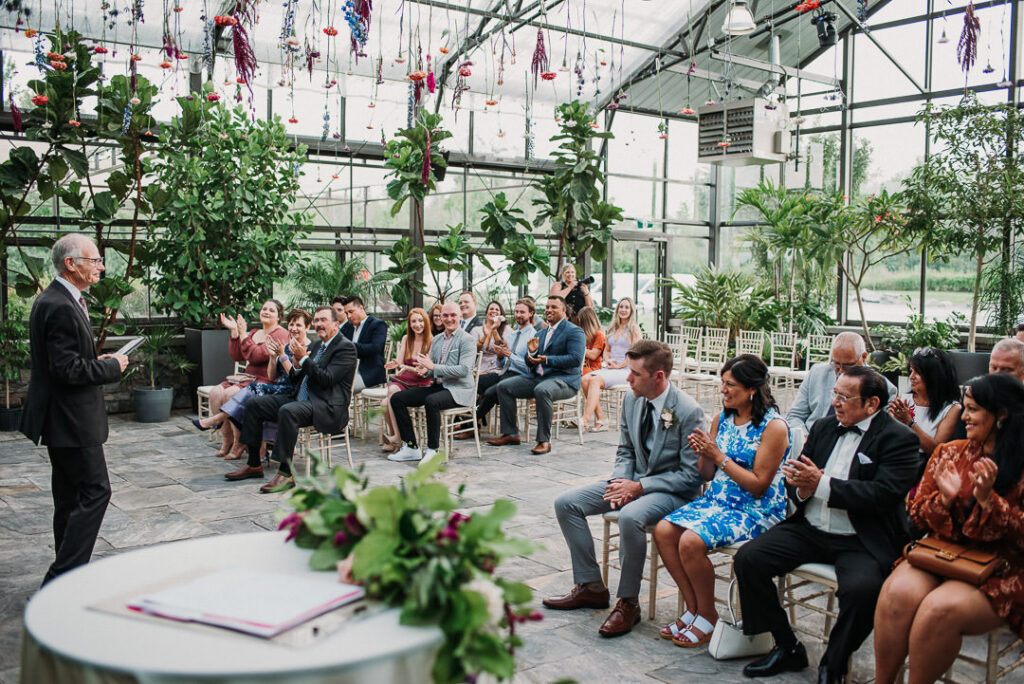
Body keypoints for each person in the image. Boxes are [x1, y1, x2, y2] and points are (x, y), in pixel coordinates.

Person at [734, 366, 919, 684]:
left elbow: (883, 495)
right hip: (811, 527)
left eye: (844, 397)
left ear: (872, 404)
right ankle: (787, 645)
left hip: (860, 537)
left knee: (864, 590)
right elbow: (799, 476)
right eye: (834, 393)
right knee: (749, 560)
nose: (835, 402)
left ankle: (833, 664)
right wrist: (801, 488)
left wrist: (820, 484)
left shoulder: (898, 438)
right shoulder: (822, 427)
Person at [543, 340, 705, 637]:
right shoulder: (632, 400)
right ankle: (591, 585)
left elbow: (691, 476)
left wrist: (640, 487)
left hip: (672, 491)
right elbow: (625, 450)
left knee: (630, 517)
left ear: (659, 376)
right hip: (632, 480)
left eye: (635, 373)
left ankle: (629, 603)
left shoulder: (688, 411)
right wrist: (621, 482)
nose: (626, 378)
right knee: (567, 503)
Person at [873, 373, 1024, 684]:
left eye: (972, 409)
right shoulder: (949, 453)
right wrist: (945, 498)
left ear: (1002, 415)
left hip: (1003, 567)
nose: (963, 417)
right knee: (897, 595)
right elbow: (915, 516)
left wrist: (989, 501)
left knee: (937, 611)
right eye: (965, 408)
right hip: (942, 552)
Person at [653, 354, 790, 648]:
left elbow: (758, 486)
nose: (723, 390)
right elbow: (707, 474)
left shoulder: (773, 427)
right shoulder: (722, 419)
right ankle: (694, 610)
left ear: (752, 389)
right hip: (718, 500)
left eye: (731, 385)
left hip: (755, 509)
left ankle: (708, 615)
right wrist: (703, 452)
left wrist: (719, 456)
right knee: (663, 530)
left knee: (690, 541)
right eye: (722, 383)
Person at [21, 234, 128, 585]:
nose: (100, 267)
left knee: (68, 499)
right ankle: (60, 577)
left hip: (61, 418)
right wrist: (113, 367)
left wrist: (93, 360)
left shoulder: (56, 299)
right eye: (94, 260)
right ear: (71, 264)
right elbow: (67, 371)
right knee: (97, 492)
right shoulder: (60, 305)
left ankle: (65, 579)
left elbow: (64, 362)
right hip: (71, 419)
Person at [225, 306, 357, 492]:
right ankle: (254, 464)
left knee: (288, 411)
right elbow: (297, 378)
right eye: (317, 320)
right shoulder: (317, 345)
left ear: (336, 324)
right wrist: (295, 363)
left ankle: (286, 475)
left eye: (323, 320)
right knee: (254, 403)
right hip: (302, 398)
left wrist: (303, 359)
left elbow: (327, 379)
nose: (319, 324)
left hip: (326, 406)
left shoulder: (346, 348)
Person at [195, 309, 314, 460]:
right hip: (278, 386)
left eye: (298, 325)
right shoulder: (285, 346)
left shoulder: (309, 347)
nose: (294, 328)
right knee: (248, 395)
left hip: (293, 392)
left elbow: (296, 378)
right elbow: (272, 375)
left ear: (308, 327)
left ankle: (218, 420)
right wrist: (272, 357)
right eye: (291, 324)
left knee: (252, 392)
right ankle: (254, 451)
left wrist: (283, 357)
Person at [488, 295, 585, 455]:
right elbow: (529, 361)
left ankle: (544, 441)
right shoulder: (540, 333)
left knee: (542, 390)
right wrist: (531, 353)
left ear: (563, 310)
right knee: (504, 386)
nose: (549, 310)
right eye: (547, 307)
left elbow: (575, 359)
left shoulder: (574, 331)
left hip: (565, 381)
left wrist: (547, 359)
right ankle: (511, 434)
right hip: (540, 377)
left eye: (553, 307)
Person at [388, 301, 477, 463]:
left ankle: (433, 450)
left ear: (460, 316)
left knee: (431, 401)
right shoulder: (437, 340)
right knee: (397, 398)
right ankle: (411, 447)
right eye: (445, 315)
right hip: (439, 386)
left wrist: (433, 367)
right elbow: (431, 368)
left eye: (453, 315)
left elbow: (464, 370)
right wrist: (425, 370)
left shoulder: (467, 340)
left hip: (459, 390)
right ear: (440, 317)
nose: (449, 319)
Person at [786, 331, 897, 435]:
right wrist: (805, 439)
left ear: (863, 358)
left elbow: (882, 432)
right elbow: (794, 415)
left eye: (849, 365)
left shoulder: (884, 388)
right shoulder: (817, 373)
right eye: (837, 364)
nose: (842, 371)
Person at [887, 347, 962, 475]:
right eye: (911, 371)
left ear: (934, 376)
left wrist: (910, 423)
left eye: (918, 373)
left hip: (926, 470)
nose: (911, 377)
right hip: (897, 463)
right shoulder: (904, 400)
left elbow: (936, 449)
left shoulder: (951, 409)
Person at [470, 298, 537, 432]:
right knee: (472, 381)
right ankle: (468, 421)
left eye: (522, 312)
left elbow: (530, 367)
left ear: (531, 313)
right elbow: (502, 362)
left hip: (521, 377)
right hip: (504, 373)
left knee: (490, 392)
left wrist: (509, 355)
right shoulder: (513, 335)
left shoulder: (533, 336)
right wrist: (500, 357)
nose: (518, 315)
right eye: (516, 311)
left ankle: (470, 425)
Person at [580, 297, 643, 432]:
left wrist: (619, 366)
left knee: (595, 380)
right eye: (621, 307)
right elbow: (607, 350)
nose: (623, 310)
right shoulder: (612, 328)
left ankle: (585, 419)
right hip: (610, 367)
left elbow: (636, 353)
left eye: (627, 307)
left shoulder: (634, 329)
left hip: (626, 370)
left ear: (631, 310)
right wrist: (607, 360)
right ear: (617, 309)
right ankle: (601, 418)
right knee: (585, 379)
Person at [380, 308, 433, 453]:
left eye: (420, 321)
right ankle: (395, 437)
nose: (417, 324)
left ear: (426, 322)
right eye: (413, 321)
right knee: (388, 397)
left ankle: (396, 438)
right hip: (404, 381)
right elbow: (399, 361)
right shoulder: (406, 339)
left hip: (420, 383)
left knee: (386, 402)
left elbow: (424, 371)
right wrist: (396, 364)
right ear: (409, 324)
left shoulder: (431, 341)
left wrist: (404, 367)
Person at [340, 295, 388, 392]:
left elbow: (375, 348)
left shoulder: (378, 324)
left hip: (369, 373)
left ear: (361, 308)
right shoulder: (347, 327)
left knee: (339, 389)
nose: (348, 316)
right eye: (346, 313)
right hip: (346, 370)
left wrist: (349, 346)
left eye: (351, 312)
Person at [576, 306, 605, 376]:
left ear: (587, 324)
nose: (579, 326)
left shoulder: (599, 335)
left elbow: (593, 355)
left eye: (581, 324)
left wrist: (576, 348)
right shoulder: (582, 335)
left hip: (594, 370)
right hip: (582, 367)